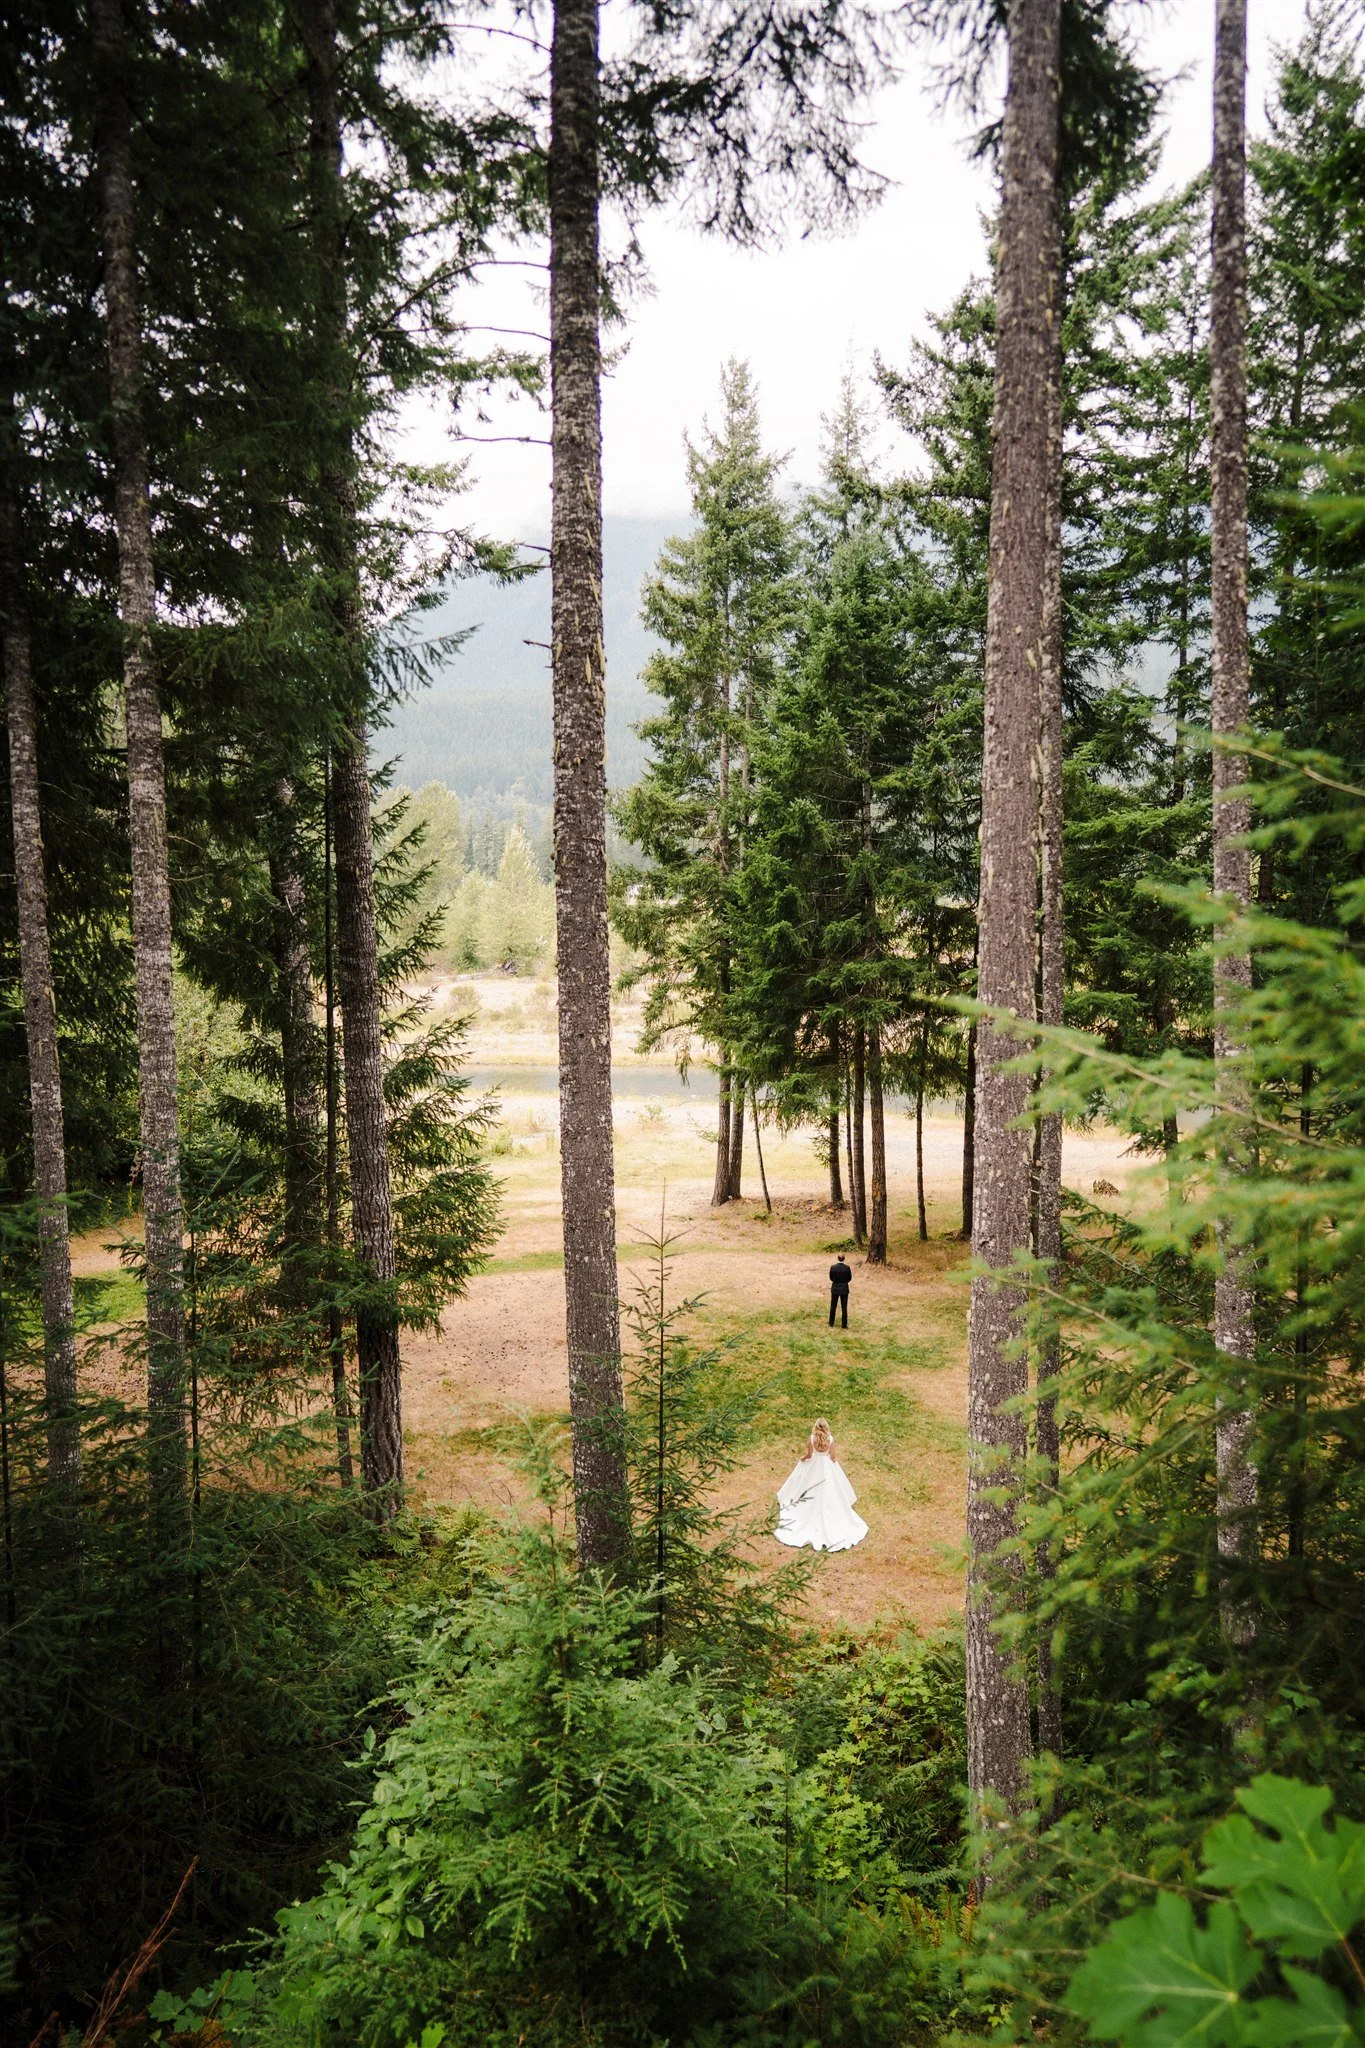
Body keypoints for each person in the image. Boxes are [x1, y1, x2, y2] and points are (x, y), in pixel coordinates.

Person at [773, 1418, 868, 1552]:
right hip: (827, 1467)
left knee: (808, 1487)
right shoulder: (831, 1439)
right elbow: (833, 1456)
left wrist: (803, 1459)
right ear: (826, 1427)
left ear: (816, 1427)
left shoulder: (812, 1439)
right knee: (831, 1490)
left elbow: (809, 1455)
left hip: (814, 1466)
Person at [828, 1254, 852, 1327]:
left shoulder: (833, 1267)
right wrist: (844, 1282)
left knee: (833, 1306)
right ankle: (844, 1324)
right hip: (844, 1289)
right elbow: (849, 1278)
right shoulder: (847, 1268)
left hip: (835, 1288)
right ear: (844, 1259)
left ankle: (831, 1323)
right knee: (844, 1307)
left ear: (838, 1259)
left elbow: (831, 1277)